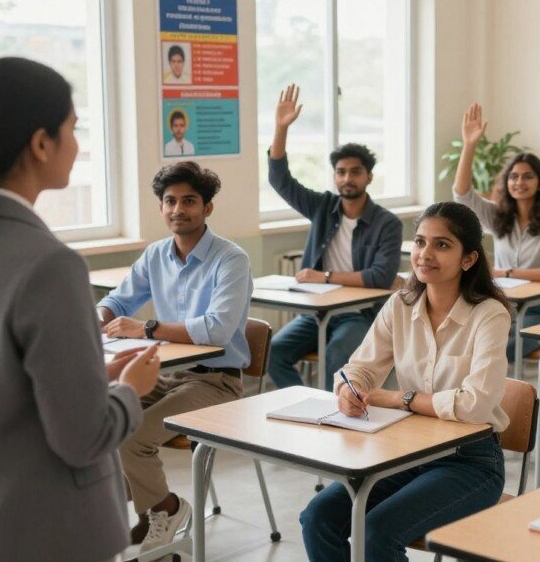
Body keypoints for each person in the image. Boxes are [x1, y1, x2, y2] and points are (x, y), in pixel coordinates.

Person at [0, 57, 161, 562]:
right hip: (45, 526)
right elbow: (83, 438)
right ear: (41, 143)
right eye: (72, 129)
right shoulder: (49, 265)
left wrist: (88, 374)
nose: (77, 145)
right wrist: (129, 391)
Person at [300, 202, 512, 561]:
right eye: (419, 242)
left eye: (442, 245)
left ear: (468, 259)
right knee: (318, 516)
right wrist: (347, 390)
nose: (425, 254)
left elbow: (474, 404)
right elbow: (360, 367)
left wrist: (402, 399)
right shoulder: (401, 303)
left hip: (470, 462)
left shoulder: (489, 314)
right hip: (407, 453)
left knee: (377, 533)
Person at [97, 161, 253, 553]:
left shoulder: (231, 259)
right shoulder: (156, 255)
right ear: (160, 206)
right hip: (170, 376)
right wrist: (99, 318)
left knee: (131, 435)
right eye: (169, 201)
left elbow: (216, 328)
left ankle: (164, 508)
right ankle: (148, 510)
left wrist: (147, 328)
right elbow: (117, 300)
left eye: (189, 201)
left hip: (217, 382)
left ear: (207, 208)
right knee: (103, 418)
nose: (177, 209)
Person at [265, 83, 402, 391]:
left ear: (369, 177)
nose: (347, 178)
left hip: (358, 315)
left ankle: (332, 419)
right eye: (341, 172)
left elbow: (381, 277)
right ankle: (305, 408)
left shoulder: (387, 223)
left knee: (337, 354)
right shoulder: (323, 207)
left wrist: (323, 276)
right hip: (317, 313)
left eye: (355, 172)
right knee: (272, 351)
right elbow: (279, 179)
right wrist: (280, 128)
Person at [453, 103, 540, 359]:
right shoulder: (498, 215)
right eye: (514, 177)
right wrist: (469, 145)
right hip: (501, 305)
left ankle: (491, 394)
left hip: (539, 309)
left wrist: (505, 272)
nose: (519, 182)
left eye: (527, 177)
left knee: (494, 353)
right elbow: (462, 196)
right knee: (464, 343)